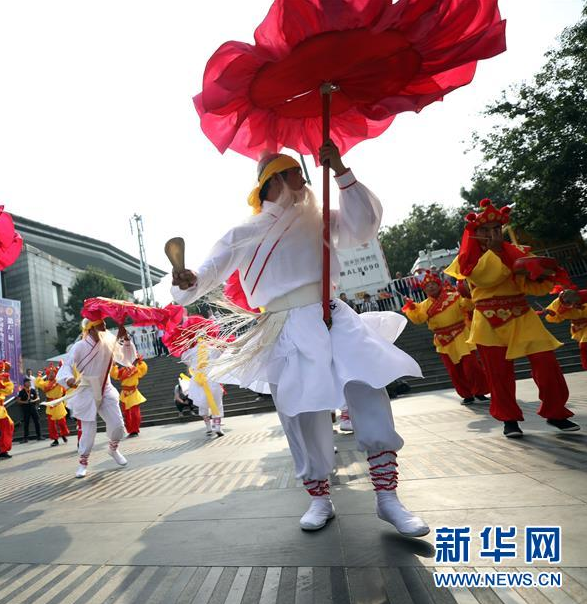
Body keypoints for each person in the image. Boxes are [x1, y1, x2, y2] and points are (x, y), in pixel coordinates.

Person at [170, 142, 428, 537]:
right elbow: (203, 278)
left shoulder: (320, 218)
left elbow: (364, 227)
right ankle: (319, 498)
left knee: (367, 388)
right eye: (295, 173)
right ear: (274, 181)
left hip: (332, 315)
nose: (304, 180)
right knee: (301, 413)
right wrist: (186, 281)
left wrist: (340, 169)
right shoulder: (241, 233)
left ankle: (388, 497)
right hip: (283, 326)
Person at [445, 199, 579, 437]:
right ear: (475, 234)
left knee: (546, 363)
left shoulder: (518, 252)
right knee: (498, 373)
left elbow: (533, 288)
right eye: (485, 230)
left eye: (496, 229)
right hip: (488, 319)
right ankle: (509, 419)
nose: (492, 234)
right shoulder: (468, 259)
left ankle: (555, 411)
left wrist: (545, 279)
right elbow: (486, 279)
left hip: (522, 314)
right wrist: (499, 253)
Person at [56, 319, 133, 478]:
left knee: (117, 425)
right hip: (87, 390)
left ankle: (113, 448)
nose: (105, 328)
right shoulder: (80, 346)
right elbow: (67, 366)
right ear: (90, 329)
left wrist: (125, 340)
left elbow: (127, 359)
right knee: (88, 432)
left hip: (106, 388)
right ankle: (83, 463)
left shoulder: (109, 342)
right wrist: (69, 379)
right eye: (101, 326)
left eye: (105, 325)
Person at [401, 271, 490, 405]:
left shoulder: (453, 296)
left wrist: (466, 294)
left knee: (471, 365)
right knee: (454, 370)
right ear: (424, 290)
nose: (430, 287)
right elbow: (419, 319)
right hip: (443, 340)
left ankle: (480, 391)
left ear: (439, 285)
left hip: (461, 334)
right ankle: (467, 395)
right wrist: (412, 307)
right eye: (427, 286)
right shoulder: (423, 305)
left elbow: (468, 306)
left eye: (433, 284)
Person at [544, 289, 587, 369]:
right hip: (579, 327)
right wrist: (552, 314)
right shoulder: (557, 303)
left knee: (584, 345)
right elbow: (553, 316)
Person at [111, 355, 148, 437]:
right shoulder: (122, 371)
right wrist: (113, 365)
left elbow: (143, 370)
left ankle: (135, 430)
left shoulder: (135, 369)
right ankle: (130, 430)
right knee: (127, 413)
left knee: (135, 413)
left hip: (133, 393)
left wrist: (140, 362)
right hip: (124, 394)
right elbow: (115, 375)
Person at [36, 363, 70, 446]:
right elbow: (38, 383)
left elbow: (66, 380)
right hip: (50, 405)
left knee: (62, 422)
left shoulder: (59, 381)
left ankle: (63, 434)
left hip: (58, 403)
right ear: (47, 374)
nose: (52, 374)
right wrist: (39, 376)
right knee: (51, 424)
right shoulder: (46, 383)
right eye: (50, 373)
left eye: (53, 373)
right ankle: (55, 439)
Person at [16, 378, 42, 443]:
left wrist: (33, 400)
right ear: (24, 383)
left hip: (33, 408)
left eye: (29, 382)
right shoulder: (22, 391)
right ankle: (25, 438)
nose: (29, 383)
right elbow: (18, 401)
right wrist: (25, 402)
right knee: (26, 423)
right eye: (28, 382)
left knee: (37, 421)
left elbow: (38, 398)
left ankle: (39, 436)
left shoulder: (33, 390)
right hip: (26, 409)